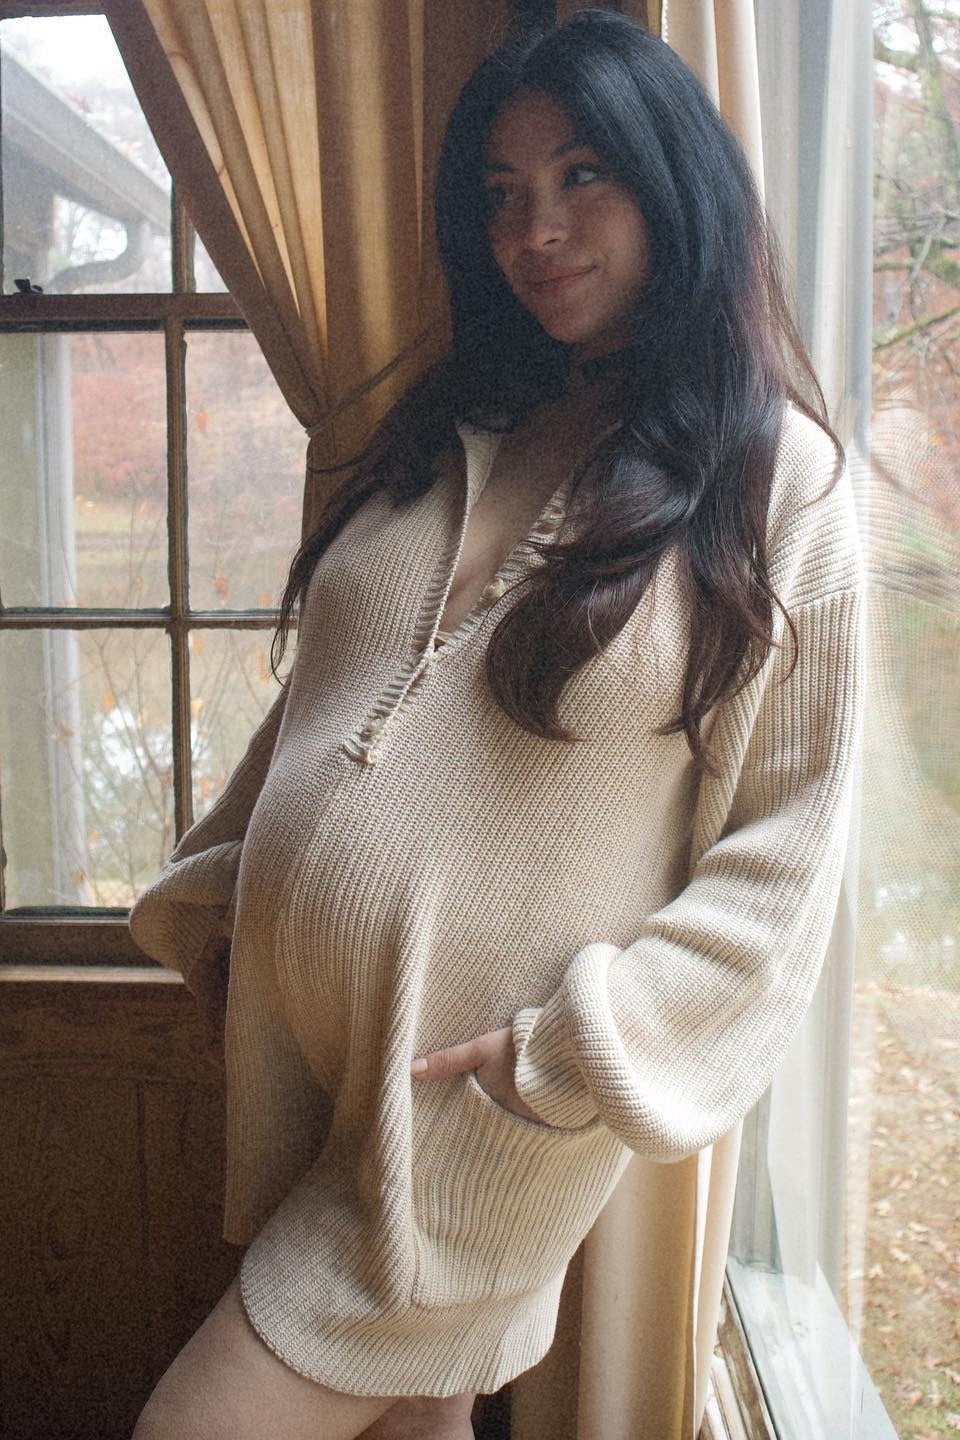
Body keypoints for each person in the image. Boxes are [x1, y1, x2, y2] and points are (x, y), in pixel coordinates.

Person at [129, 10, 863, 1440]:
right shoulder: (457, 417)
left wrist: (578, 1052)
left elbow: (788, 855)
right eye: (501, 191)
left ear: (675, 184)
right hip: (314, 1068)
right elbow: (332, 695)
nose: (536, 230)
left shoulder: (778, 484)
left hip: (483, 1107)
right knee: (420, 1419)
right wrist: (227, 908)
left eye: (584, 174)